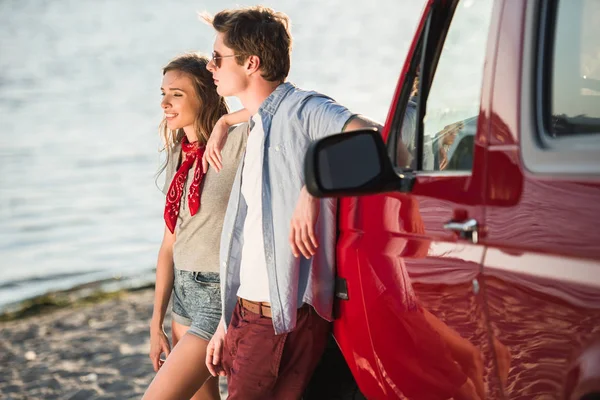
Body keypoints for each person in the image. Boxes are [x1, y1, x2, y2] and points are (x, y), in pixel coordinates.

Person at [198, 6, 381, 399]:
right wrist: (225, 325)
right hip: (247, 315)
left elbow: (371, 136)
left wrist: (312, 188)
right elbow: (247, 240)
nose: (210, 66)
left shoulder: (305, 109)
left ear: (251, 62)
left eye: (217, 57)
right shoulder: (259, 121)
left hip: (278, 320)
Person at [142, 52, 248, 400]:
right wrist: (156, 322)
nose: (165, 103)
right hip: (182, 296)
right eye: (163, 93)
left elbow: (275, 108)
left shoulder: (236, 141)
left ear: (206, 94)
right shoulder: (179, 155)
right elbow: (169, 244)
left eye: (177, 94)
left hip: (217, 295)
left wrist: (225, 121)